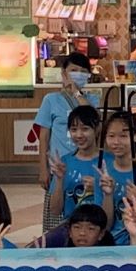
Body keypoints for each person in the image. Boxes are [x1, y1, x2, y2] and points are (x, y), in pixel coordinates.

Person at [32, 50, 95, 204]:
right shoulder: (51, 100)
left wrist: (76, 93)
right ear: (63, 73)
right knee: (57, 208)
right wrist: (43, 168)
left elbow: (91, 117)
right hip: (58, 167)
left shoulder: (91, 99)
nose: (78, 74)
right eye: (73, 70)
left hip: (86, 166)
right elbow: (44, 137)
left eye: (83, 72)